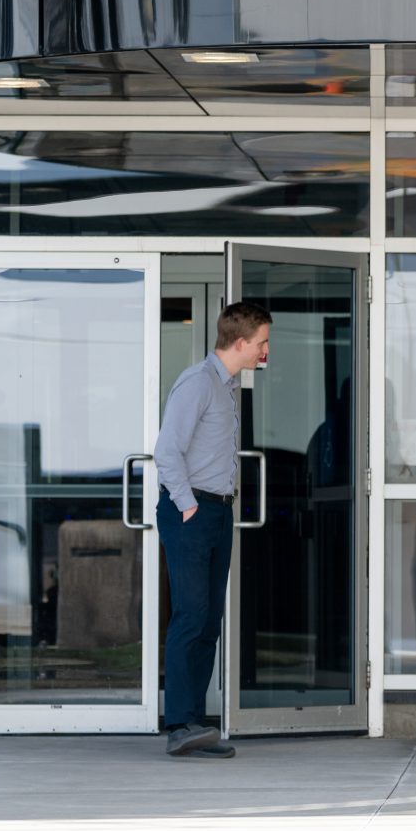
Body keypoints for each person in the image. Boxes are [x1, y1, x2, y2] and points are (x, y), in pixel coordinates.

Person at [151, 299, 271, 759]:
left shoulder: (228, 386)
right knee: (191, 614)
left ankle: (195, 725)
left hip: (217, 510)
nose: (265, 351)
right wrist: (187, 507)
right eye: (261, 342)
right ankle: (179, 724)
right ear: (240, 342)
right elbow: (167, 452)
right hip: (193, 510)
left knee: (209, 620)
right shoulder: (198, 383)